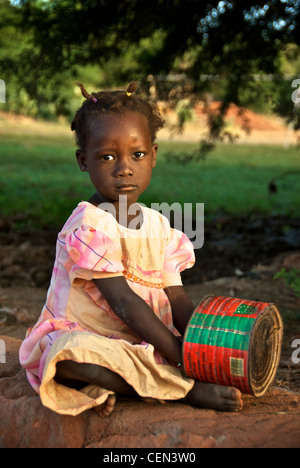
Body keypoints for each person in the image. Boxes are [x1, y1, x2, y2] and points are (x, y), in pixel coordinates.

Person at [19, 82, 242, 416]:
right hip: (90, 337)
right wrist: (185, 363)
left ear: (153, 155)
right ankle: (180, 390)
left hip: (144, 340)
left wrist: (205, 349)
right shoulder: (89, 224)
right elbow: (122, 301)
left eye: (137, 155)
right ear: (84, 160)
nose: (124, 167)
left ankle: (126, 383)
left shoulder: (160, 226)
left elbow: (177, 300)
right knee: (68, 356)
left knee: (133, 358)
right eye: (107, 157)